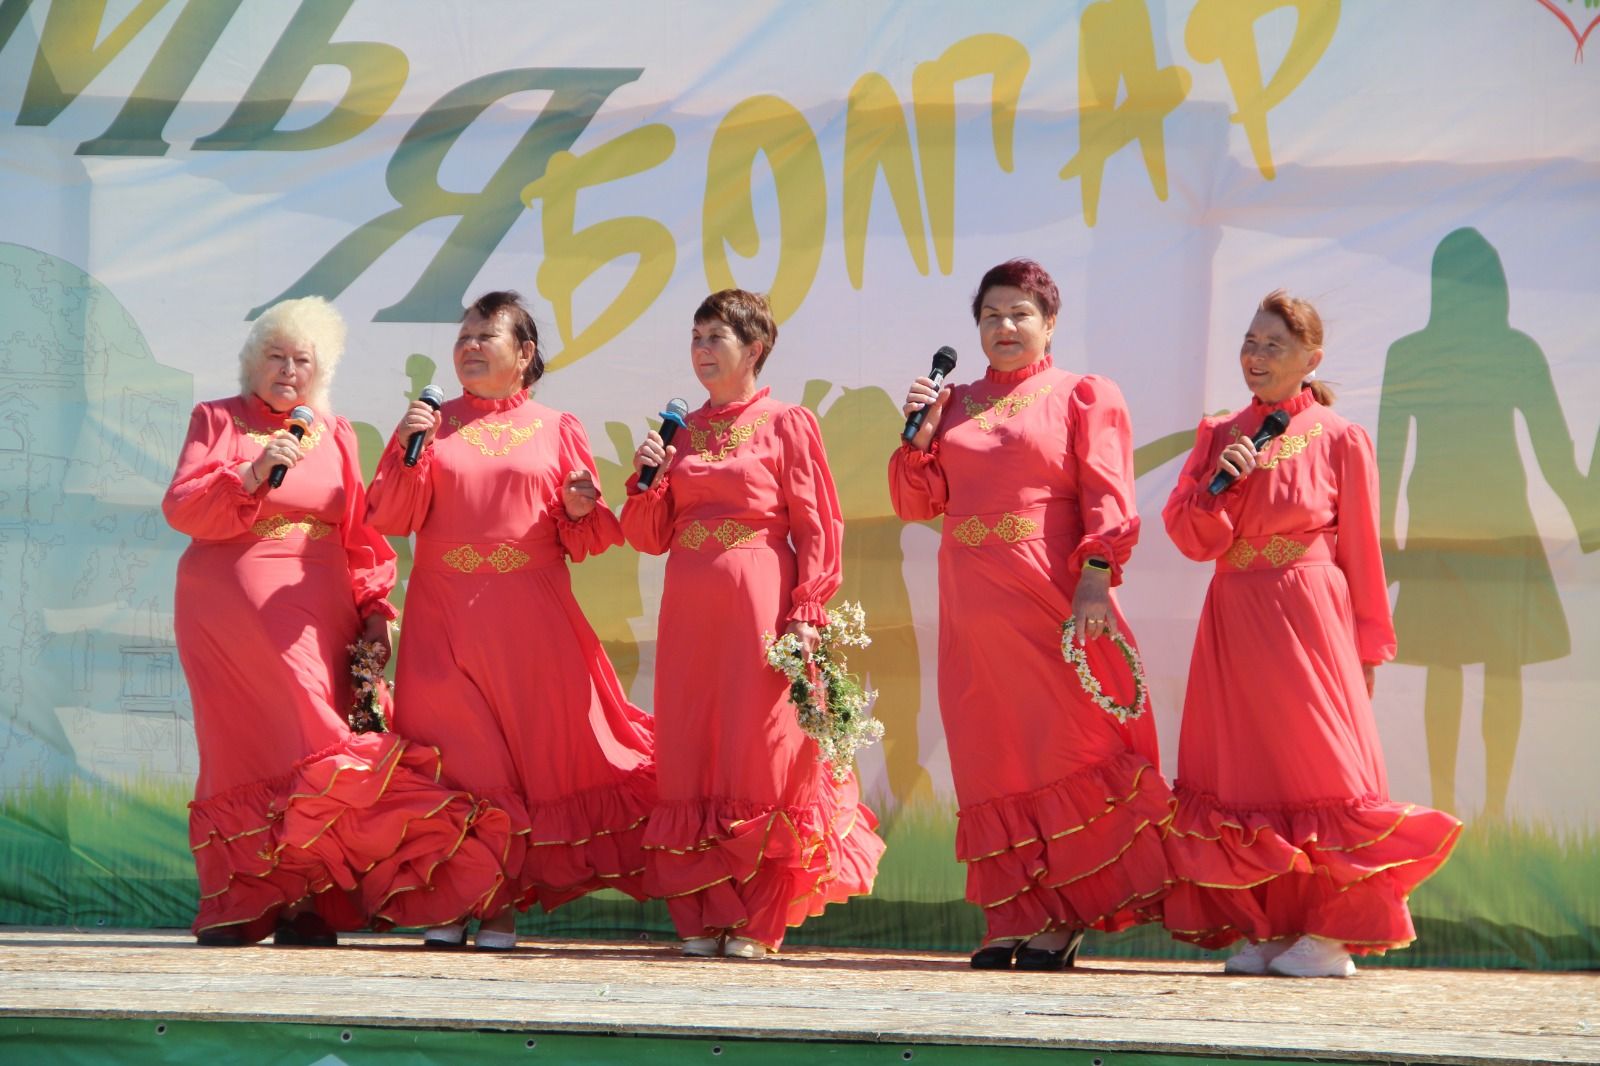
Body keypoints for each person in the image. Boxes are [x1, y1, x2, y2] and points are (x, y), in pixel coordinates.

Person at [163, 297, 510, 947]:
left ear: (319, 373)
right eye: (275, 356)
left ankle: (312, 901)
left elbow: (362, 534)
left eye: (302, 360)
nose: (287, 370)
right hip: (225, 615)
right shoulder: (217, 419)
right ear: (251, 363)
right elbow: (183, 506)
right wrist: (256, 469)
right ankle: (245, 900)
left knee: (316, 746)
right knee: (242, 752)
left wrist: (377, 610)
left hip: (315, 612)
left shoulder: (336, 432)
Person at [1161, 290, 1462, 977]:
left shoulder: (1338, 435)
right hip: (1234, 615)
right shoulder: (1218, 434)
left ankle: (1332, 936)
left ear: (1310, 359)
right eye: (1250, 342)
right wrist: (1220, 484)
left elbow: (1362, 550)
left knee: (1320, 769)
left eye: (1274, 346)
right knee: (1246, 770)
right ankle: (1269, 924)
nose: (1256, 357)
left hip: (1308, 614)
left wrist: (1368, 645)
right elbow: (1189, 536)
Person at [889, 258, 1174, 971]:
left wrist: (1096, 579)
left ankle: (1065, 913)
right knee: (992, 756)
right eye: (990, 316)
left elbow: (1109, 493)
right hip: (972, 608)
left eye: (1019, 314)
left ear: (1050, 323)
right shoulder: (951, 404)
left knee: (1063, 748)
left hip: (1051, 598)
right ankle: (1013, 913)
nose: (1004, 327)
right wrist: (919, 436)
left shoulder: (1081, 394)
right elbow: (916, 503)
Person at [367, 290, 655, 951]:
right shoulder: (428, 425)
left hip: (529, 622)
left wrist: (580, 512)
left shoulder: (557, 428)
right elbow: (390, 516)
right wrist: (409, 445)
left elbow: (583, 541)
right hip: (442, 618)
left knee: (527, 765)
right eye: (463, 335)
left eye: (484, 336)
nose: (468, 346)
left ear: (524, 354)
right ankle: (451, 892)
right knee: (454, 762)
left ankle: (497, 909)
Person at [620, 289, 884, 959]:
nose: (702, 350)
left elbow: (818, 524)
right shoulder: (679, 433)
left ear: (754, 349)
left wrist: (806, 612)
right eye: (696, 337)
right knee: (693, 750)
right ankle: (704, 915)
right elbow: (647, 536)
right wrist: (647, 478)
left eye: (717, 338)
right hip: (688, 611)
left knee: (760, 752)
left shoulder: (787, 422)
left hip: (761, 610)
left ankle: (757, 920)